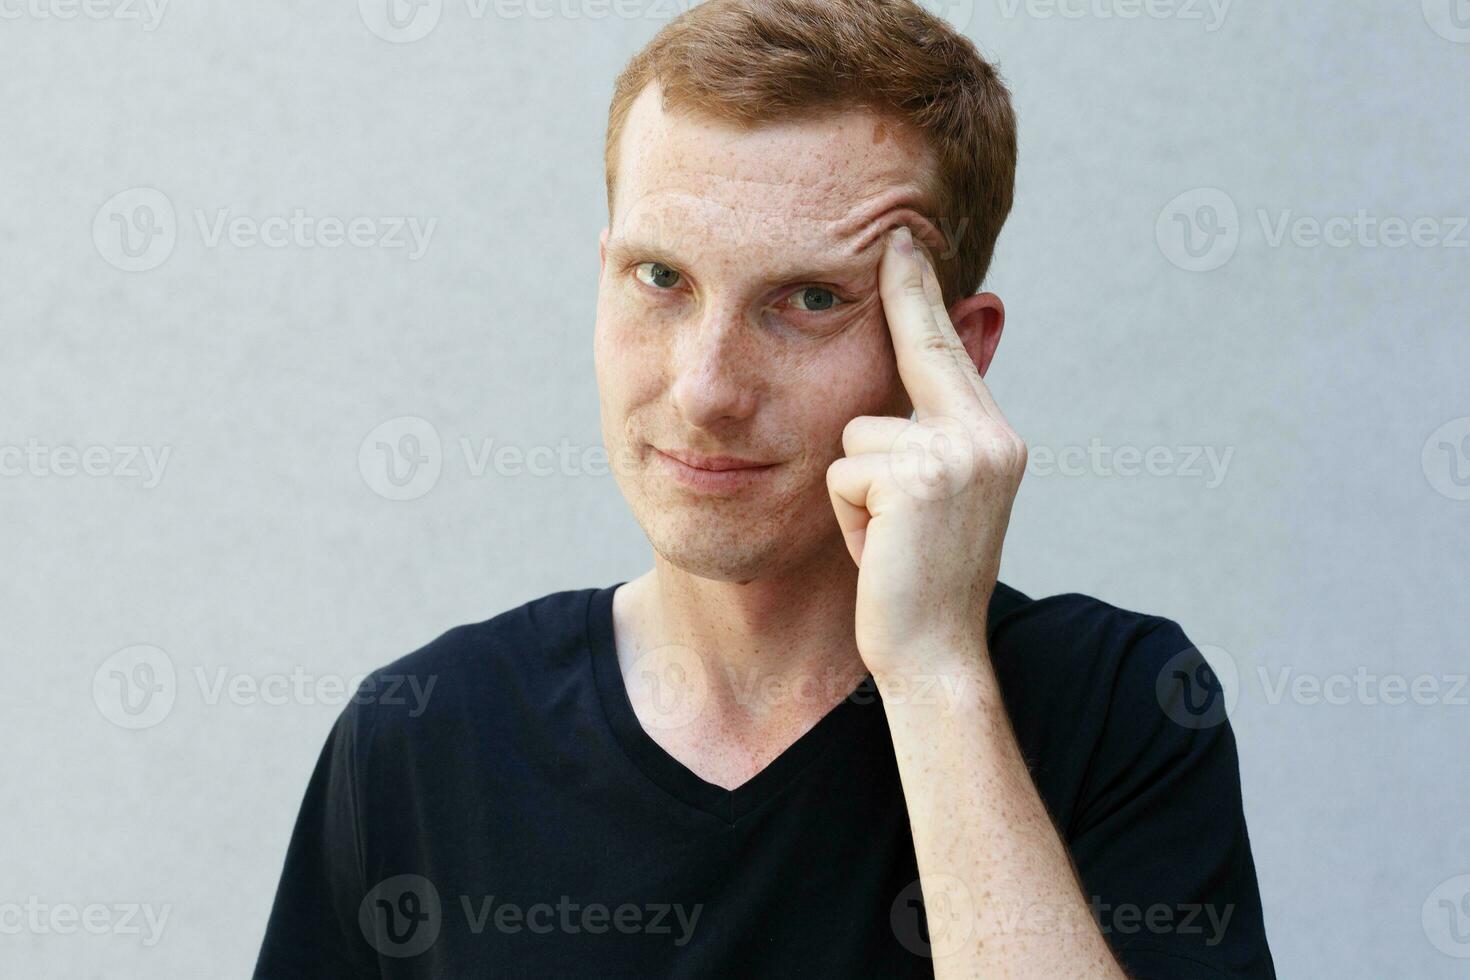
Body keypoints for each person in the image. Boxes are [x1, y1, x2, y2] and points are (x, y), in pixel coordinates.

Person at [254, 0, 1275, 976]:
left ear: (954, 355)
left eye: (811, 298)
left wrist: (932, 673)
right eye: (661, 279)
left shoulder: (1117, 707)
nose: (706, 390)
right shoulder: (428, 731)